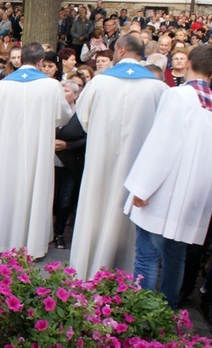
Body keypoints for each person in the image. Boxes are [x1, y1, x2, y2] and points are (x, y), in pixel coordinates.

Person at [124, 44, 212, 309]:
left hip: (164, 188)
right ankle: (167, 311)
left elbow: (161, 144)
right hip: (191, 192)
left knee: (146, 255)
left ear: (188, 62)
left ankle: (142, 313)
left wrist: (143, 187)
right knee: (175, 255)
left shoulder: (179, 95)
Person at [69, 33, 168, 280]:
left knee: (95, 208)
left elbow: (83, 119)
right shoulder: (158, 87)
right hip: (137, 168)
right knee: (127, 220)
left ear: (121, 50)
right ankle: (125, 274)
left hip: (100, 161)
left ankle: (87, 268)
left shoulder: (100, 83)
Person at [0, 42, 72, 259]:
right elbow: (63, 116)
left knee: (5, 189)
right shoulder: (51, 86)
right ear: (40, 62)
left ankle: (0, 239)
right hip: (36, 149)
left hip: (7, 148)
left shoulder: (3, 85)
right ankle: (32, 244)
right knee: (34, 189)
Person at [52, 79, 86, 249]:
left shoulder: (81, 114)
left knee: (64, 200)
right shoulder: (50, 109)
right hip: (49, 163)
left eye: (65, 90)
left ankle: (59, 233)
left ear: (75, 94)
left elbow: (88, 138)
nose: (62, 93)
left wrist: (68, 145)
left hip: (70, 164)